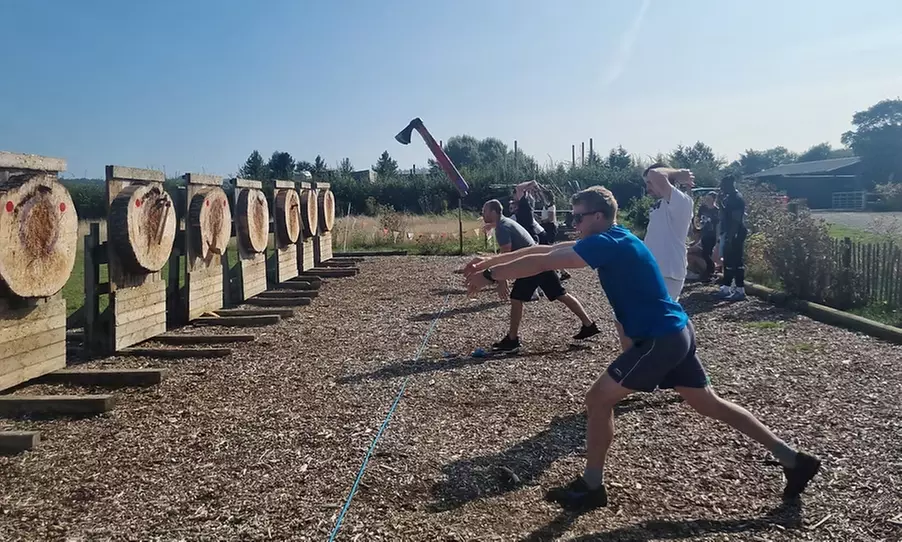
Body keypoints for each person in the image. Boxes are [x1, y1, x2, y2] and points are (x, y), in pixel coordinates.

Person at [463, 182, 821, 510]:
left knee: (598, 400)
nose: (574, 223)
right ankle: (794, 460)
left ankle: (592, 486)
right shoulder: (614, 237)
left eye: (579, 217)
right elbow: (545, 248)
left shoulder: (607, 243)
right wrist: (490, 261)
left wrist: (490, 276)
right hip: (675, 331)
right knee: (709, 403)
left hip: (660, 339)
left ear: (598, 217)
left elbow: (544, 261)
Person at [472, 199, 599, 352]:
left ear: (493, 212)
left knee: (517, 298)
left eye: (484, 210)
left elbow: (507, 254)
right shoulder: (504, 223)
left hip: (532, 264)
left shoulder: (502, 228)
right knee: (560, 293)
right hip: (539, 260)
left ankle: (512, 339)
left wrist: (500, 280)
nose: (482, 213)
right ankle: (588, 324)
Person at [613, 163, 694, 352]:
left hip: (668, 272)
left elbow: (657, 174)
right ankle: (634, 363)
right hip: (652, 271)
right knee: (623, 317)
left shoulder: (681, 202)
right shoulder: (660, 206)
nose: (648, 187)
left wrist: (678, 172)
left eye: (650, 183)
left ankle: (649, 366)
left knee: (655, 325)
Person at [717, 175, 748, 301]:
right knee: (728, 262)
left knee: (736, 262)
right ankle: (726, 287)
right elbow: (726, 214)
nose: (721, 187)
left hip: (735, 233)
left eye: (723, 185)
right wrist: (720, 202)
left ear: (730, 184)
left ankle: (740, 290)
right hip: (729, 232)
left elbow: (736, 220)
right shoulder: (729, 197)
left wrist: (730, 237)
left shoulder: (736, 198)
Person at [696, 192, 719, 280]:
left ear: (714, 200)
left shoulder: (716, 211)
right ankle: (709, 270)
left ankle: (710, 271)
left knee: (707, 253)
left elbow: (718, 226)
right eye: (706, 199)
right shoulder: (703, 208)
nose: (707, 201)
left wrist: (717, 239)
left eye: (709, 199)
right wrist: (697, 227)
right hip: (703, 233)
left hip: (711, 235)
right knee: (704, 253)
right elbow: (698, 219)